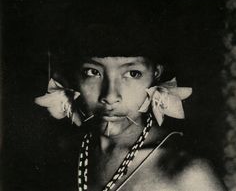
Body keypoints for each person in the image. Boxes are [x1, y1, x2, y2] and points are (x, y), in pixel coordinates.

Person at [35, 49, 227, 190]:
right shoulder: (63, 157)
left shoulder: (187, 173)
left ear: (155, 75)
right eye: (92, 72)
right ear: (73, 77)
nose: (110, 96)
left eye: (132, 73)